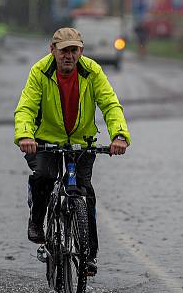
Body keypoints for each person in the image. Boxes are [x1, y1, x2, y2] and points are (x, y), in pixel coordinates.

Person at [14, 27, 130, 276]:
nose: (69, 55)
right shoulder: (40, 71)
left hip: (82, 141)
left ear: (81, 51)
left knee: (84, 192)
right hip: (45, 141)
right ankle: (37, 221)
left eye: (74, 50)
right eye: (64, 50)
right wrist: (25, 135)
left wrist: (119, 135)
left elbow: (110, 104)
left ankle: (89, 256)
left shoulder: (92, 71)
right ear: (52, 50)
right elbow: (26, 107)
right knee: (44, 176)